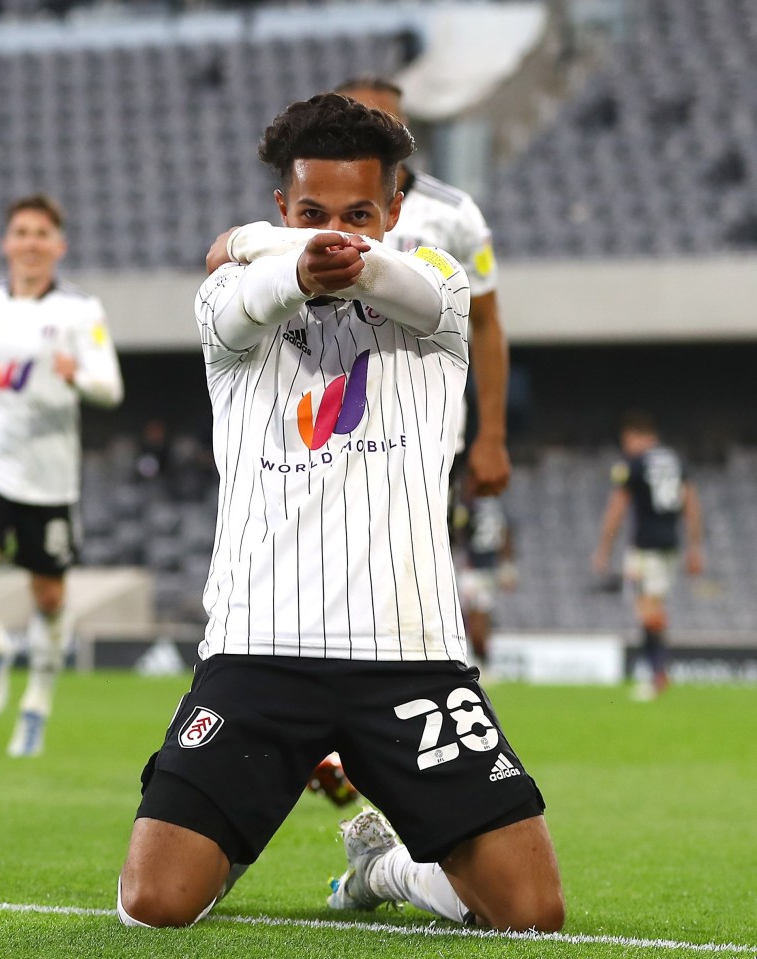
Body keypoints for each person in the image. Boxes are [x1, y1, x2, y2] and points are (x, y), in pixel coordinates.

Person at [118, 93, 563, 932]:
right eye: (311, 212)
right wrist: (270, 256)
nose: (336, 230)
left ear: (397, 209)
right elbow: (254, 292)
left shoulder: (439, 288)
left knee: (533, 914)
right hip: (258, 651)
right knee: (153, 904)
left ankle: (385, 866)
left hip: (410, 657)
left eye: (362, 212)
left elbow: (389, 275)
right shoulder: (226, 306)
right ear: (282, 207)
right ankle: (232, 828)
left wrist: (260, 239)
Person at [0, 193, 124, 755]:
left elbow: (109, 388)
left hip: (49, 476)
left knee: (48, 598)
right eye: (21, 232)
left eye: (41, 233)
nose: (30, 243)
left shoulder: (80, 312)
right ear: (7, 243)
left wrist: (76, 378)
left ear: (58, 245)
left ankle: (36, 707)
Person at [334, 77, 510, 497]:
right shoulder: (318, 215)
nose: (371, 134)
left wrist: (492, 437)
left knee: (416, 563)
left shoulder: (454, 213)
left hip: (426, 434)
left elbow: (485, 325)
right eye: (357, 122)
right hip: (332, 434)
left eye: (384, 122)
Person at [592, 411, 704, 699]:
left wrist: (604, 548)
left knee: (647, 610)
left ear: (636, 436)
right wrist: (695, 547)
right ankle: (658, 673)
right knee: (653, 606)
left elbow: (618, 506)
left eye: (626, 440)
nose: (625, 446)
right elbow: (691, 502)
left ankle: (657, 675)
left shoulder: (635, 463)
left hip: (645, 547)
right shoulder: (677, 461)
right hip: (671, 546)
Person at [449, 484, 517, 670]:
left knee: (470, 621)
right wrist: (507, 566)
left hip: (471, 570)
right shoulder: (496, 508)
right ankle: (481, 662)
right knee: (479, 620)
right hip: (488, 571)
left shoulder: (468, 507)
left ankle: (477, 663)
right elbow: (506, 536)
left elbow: (458, 534)